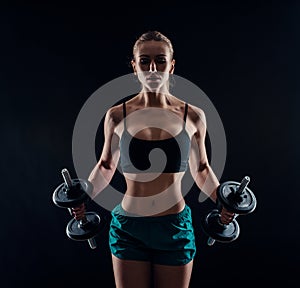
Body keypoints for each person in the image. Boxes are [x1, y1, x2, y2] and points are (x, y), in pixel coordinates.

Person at [72, 30, 235, 288]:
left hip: (174, 227)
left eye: (160, 60)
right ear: (134, 66)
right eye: (145, 60)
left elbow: (202, 169)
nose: (152, 68)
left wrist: (225, 204)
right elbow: (105, 166)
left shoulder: (193, 116)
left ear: (171, 65)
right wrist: (83, 197)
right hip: (129, 228)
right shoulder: (116, 115)